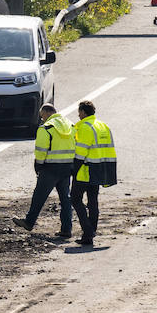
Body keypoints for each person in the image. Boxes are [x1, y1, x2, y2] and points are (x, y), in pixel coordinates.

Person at [13, 104, 74, 238]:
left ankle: (29, 222)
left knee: (39, 196)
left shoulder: (46, 128)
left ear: (46, 113)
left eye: (42, 116)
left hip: (50, 168)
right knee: (65, 199)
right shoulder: (71, 126)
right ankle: (67, 229)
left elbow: (41, 151)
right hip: (67, 167)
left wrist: (39, 166)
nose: (41, 119)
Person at [70, 100, 117, 247]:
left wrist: (73, 171)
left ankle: (88, 231)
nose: (78, 115)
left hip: (86, 170)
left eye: (79, 112)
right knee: (93, 201)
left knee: (75, 199)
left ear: (83, 112)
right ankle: (90, 233)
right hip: (100, 168)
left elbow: (80, 153)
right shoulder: (103, 126)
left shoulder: (85, 127)